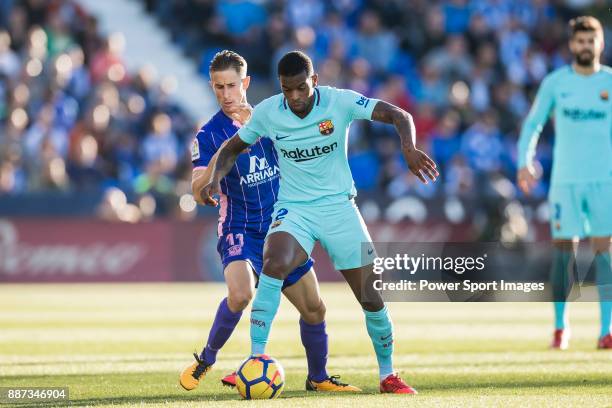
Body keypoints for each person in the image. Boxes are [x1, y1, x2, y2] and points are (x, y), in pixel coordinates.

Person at [202, 50, 438, 394]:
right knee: (274, 261)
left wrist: (408, 146)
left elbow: (397, 114)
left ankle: (388, 374)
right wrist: (212, 179)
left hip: (339, 207)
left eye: (301, 88)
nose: (295, 97)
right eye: (287, 90)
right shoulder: (269, 111)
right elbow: (231, 148)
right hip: (294, 209)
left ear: (314, 81)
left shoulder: (338, 102)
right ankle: (255, 358)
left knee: (371, 296)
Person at [180, 50, 360, 392]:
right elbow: (198, 186)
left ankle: (318, 377)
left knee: (314, 309)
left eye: (231, 85)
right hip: (240, 228)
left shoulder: (276, 117)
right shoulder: (207, 135)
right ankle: (207, 358)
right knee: (240, 293)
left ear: (245, 83)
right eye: (218, 88)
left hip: (282, 227)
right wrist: (222, 161)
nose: (225, 94)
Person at [517, 16, 612, 350]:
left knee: (606, 254)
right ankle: (560, 327)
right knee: (563, 256)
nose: (586, 46)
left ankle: (607, 330)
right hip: (566, 181)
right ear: (572, 45)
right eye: (580, 41)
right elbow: (532, 126)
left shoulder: (610, 83)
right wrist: (524, 162)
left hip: (605, 181)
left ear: (600, 43)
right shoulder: (557, 83)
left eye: (592, 41)